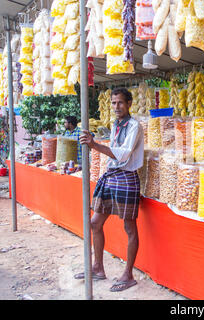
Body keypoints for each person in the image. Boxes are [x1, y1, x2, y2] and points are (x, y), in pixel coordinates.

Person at [76, 87, 144, 292]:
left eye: (121, 102)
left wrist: (95, 145)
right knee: (95, 223)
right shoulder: (115, 124)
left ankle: (128, 274)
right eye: (114, 103)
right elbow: (114, 151)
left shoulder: (134, 126)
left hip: (127, 178)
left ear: (129, 104)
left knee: (129, 228)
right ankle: (97, 267)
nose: (116, 107)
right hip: (112, 176)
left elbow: (123, 155)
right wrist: (96, 145)